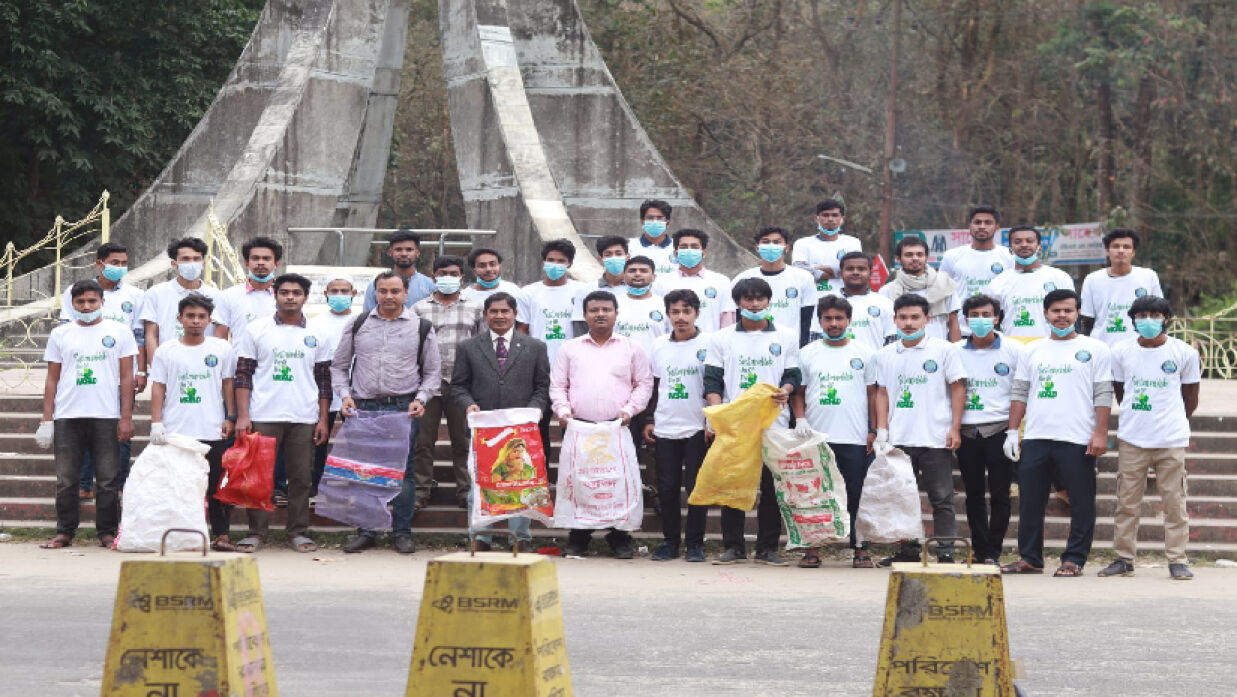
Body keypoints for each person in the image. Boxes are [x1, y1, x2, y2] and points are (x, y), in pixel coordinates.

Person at [1001, 289, 1112, 577]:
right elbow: (1020, 392)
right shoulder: (1032, 349)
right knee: (1030, 500)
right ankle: (1030, 558)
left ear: (1077, 314)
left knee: (1081, 500)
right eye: (1056, 311)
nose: (1062, 316)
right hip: (1037, 436)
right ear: (1045, 313)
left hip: (1077, 438)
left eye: (1068, 311)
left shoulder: (1096, 349)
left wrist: (1101, 432)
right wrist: (1013, 431)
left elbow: (1102, 394)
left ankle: (1074, 558)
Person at [332, 271, 441, 554]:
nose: (389, 297)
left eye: (395, 291)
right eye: (383, 291)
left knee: (402, 473)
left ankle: (401, 533)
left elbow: (432, 372)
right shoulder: (358, 324)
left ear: (406, 293)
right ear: (375, 293)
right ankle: (366, 531)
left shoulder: (421, 327)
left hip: (403, 408)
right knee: (365, 471)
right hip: (364, 407)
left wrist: (422, 399)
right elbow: (339, 366)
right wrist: (345, 396)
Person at [1099, 295, 1199, 580]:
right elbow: (1120, 391)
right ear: (1133, 320)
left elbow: (1190, 398)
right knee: (1127, 502)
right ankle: (1123, 558)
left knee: (1174, 502)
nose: (1148, 321)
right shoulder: (1121, 351)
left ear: (1166, 319)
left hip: (1171, 440)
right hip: (1133, 438)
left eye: (1154, 315)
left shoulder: (1183, 353)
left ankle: (1177, 559)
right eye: (1141, 316)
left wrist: (1173, 419)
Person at [232, 273, 334, 554]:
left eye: (296, 293)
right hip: (263, 413)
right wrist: (243, 415)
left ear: (305, 297)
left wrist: (323, 418)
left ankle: (297, 532)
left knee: (301, 477)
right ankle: (256, 533)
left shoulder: (317, 333)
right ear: (275, 295)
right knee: (258, 478)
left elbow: (324, 380)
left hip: (304, 416)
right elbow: (243, 375)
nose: (290, 297)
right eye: (285, 292)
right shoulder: (256, 329)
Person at [704, 278, 801, 566]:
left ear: (769, 301)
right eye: (748, 299)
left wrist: (786, 390)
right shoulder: (721, 338)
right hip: (735, 424)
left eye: (760, 298)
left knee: (772, 488)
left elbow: (793, 375)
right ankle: (733, 547)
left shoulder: (785, 336)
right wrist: (715, 416)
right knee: (733, 485)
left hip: (775, 421)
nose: (755, 304)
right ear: (738, 303)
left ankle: (767, 548)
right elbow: (712, 380)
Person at [550, 290, 653, 559]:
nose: (600, 314)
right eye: (594, 310)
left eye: (606, 309)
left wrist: (630, 411)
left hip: (617, 427)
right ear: (584, 315)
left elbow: (644, 383)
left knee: (617, 482)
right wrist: (563, 411)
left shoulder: (632, 347)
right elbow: (558, 386)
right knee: (580, 482)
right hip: (578, 427)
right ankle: (578, 537)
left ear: (616, 313)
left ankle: (619, 537)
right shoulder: (569, 348)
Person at [35, 280, 137, 549]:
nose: (86, 306)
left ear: (102, 302)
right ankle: (65, 531)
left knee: (107, 479)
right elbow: (51, 380)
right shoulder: (61, 334)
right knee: (66, 479)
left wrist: (125, 417)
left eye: (92, 301)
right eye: (80, 302)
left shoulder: (120, 331)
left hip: (106, 415)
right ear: (72, 305)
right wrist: (47, 418)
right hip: (68, 415)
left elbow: (127, 378)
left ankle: (106, 532)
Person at [450, 292, 551, 551]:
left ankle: (520, 538)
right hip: (485, 430)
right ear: (485, 315)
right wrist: (468, 404)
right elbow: (459, 386)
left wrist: (532, 412)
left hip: (521, 429)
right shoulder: (469, 347)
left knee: (521, 482)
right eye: (493, 311)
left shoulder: (535, 347)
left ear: (515, 314)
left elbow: (542, 387)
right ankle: (480, 537)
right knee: (480, 484)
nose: (499, 316)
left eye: (505, 311)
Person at [872, 294, 967, 565]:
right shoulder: (885, 354)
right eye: (903, 317)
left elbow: (958, 388)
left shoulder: (945, 350)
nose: (909, 323)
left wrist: (955, 428)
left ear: (927, 319)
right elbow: (882, 393)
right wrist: (881, 431)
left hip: (935, 437)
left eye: (915, 317)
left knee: (942, 498)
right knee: (903, 499)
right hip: (899, 438)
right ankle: (908, 551)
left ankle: (946, 552)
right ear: (894, 320)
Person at [792, 295, 877, 568]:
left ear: (849, 321)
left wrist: (873, 429)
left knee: (856, 493)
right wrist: (800, 420)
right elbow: (799, 393)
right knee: (815, 496)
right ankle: (814, 548)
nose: (834, 323)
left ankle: (860, 547)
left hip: (853, 437)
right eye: (828, 318)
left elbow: (873, 394)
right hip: (816, 436)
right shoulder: (807, 353)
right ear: (820, 321)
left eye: (839, 318)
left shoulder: (865, 353)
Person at [148, 293, 237, 551]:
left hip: (213, 428)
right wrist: (156, 422)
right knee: (180, 486)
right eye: (190, 316)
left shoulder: (221, 348)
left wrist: (230, 416)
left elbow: (228, 383)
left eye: (201, 317)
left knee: (217, 485)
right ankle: (183, 536)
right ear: (180, 319)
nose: (196, 321)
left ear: (210, 320)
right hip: (178, 430)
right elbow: (158, 388)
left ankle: (221, 535)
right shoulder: (166, 351)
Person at [58, 242, 146, 500]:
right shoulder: (77, 292)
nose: (120, 267)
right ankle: (84, 484)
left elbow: (139, 336)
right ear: (100, 263)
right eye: (114, 263)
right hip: (86, 369)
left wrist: (142, 371)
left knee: (121, 430)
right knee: (84, 428)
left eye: (123, 263)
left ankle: (118, 485)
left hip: (121, 372)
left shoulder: (135, 296)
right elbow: (67, 331)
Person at [954, 294, 1025, 565]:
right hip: (968, 432)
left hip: (999, 430)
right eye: (974, 315)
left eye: (986, 315)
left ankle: (993, 551)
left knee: (1000, 494)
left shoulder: (1014, 349)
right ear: (966, 318)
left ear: (997, 318)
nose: (980, 320)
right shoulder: (954, 350)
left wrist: (1013, 431)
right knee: (973, 495)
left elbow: (1021, 390)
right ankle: (980, 549)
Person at [644, 289, 711, 562]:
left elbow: (715, 384)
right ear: (668, 314)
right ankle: (670, 542)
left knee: (697, 488)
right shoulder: (659, 344)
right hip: (665, 426)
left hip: (698, 427)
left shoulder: (710, 343)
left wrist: (712, 421)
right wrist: (649, 419)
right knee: (668, 488)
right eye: (675, 312)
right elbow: (655, 385)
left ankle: (695, 544)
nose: (680, 317)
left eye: (686, 311)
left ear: (696, 313)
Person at [412, 256, 483, 509]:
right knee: (423, 442)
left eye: (454, 273)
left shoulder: (475, 308)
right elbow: (412, 348)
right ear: (433, 276)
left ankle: (466, 493)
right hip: (428, 384)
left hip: (463, 384)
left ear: (462, 277)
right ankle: (421, 492)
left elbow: (481, 347)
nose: (448, 278)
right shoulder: (419, 309)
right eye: (443, 273)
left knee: (463, 442)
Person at [306, 273, 359, 496]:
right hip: (323, 390)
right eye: (334, 291)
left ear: (353, 294)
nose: (339, 295)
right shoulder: (314, 323)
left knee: (354, 443)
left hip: (354, 390)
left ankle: (353, 487)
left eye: (344, 291)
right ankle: (315, 485)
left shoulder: (361, 320)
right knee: (319, 440)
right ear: (325, 294)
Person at [140, 237, 224, 371]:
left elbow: (219, 337)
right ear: (174, 264)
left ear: (203, 263)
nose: (191, 263)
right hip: (168, 366)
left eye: (196, 259)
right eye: (185, 259)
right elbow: (151, 334)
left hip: (205, 367)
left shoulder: (216, 296)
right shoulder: (156, 293)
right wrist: (157, 369)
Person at [730, 226, 817, 347]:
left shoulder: (804, 278)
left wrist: (801, 348)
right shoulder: (742, 278)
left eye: (777, 242)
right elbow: (737, 317)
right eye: (766, 242)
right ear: (757, 248)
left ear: (786, 248)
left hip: (789, 347)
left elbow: (807, 319)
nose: (771, 246)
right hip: (752, 346)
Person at [1080, 228, 1164, 348]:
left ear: (1133, 252)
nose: (1121, 250)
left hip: (1140, 349)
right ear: (1107, 251)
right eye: (1116, 246)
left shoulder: (1148, 276)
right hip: (1103, 349)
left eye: (1126, 247)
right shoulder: (1092, 279)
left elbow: (1159, 314)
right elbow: (1087, 320)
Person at [987, 225, 1075, 339]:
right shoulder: (998, 283)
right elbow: (991, 320)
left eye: (1030, 241)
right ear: (1010, 248)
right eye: (1017, 242)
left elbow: (1071, 314)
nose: (1024, 245)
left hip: (1050, 345)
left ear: (1039, 247)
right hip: (1013, 347)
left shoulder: (1060, 277)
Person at [880, 235, 961, 342]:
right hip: (901, 352)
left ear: (926, 257)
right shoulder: (887, 291)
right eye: (909, 255)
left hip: (938, 352)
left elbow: (953, 322)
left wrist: (957, 352)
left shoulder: (945, 285)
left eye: (919, 254)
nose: (915, 258)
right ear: (898, 259)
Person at [652, 229, 735, 332]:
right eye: (684, 247)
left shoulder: (721, 281)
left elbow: (727, 322)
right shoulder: (661, 282)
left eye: (694, 247)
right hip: (673, 345)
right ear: (675, 253)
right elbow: (658, 321)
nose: (689, 250)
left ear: (704, 253)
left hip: (710, 345)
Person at [938, 206, 1015, 313]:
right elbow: (943, 291)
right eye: (977, 222)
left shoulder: (1009, 256)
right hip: (961, 325)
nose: (982, 227)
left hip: (998, 324)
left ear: (997, 228)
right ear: (970, 226)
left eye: (988, 223)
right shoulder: (951, 255)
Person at [523, 239, 588, 364]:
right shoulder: (528, 293)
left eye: (561, 261)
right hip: (538, 362)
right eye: (551, 260)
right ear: (543, 262)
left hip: (573, 361)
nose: (555, 265)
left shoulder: (582, 291)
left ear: (569, 264)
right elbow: (522, 329)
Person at [214, 236, 282, 342]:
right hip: (240, 358)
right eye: (255, 258)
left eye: (266, 258)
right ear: (246, 263)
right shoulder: (228, 296)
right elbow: (219, 341)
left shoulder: (287, 297)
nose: (260, 262)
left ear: (277, 264)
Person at [791, 198, 863, 296]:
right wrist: (838, 271)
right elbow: (799, 272)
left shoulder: (852, 242)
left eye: (835, 215)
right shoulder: (802, 243)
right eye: (825, 215)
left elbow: (852, 271)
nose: (830, 219)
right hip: (812, 300)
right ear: (816, 218)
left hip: (845, 300)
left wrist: (815, 268)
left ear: (842, 219)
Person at [362, 229, 435, 312]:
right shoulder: (376, 286)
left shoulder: (430, 286)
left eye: (409, 250)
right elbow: (368, 318)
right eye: (398, 249)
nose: (404, 254)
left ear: (417, 253)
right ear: (390, 252)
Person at [833, 251, 895, 349]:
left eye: (861, 269)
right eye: (850, 269)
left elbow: (892, 341)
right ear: (841, 273)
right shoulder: (827, 303)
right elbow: (816, 339)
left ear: (870, 273)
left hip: (874, 363)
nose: (855, 272)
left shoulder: (885, 303)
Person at [571, 235, 629, 336]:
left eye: (618, 254)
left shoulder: (637, 290)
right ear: (600, 259)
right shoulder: (586, 291)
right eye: (608, 254)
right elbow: (580, 328)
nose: (614, 258)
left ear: (627, 257)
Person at [461, 247, 530, 332]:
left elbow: (522, 325)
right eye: (482, 266)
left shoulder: (513, 290)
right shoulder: (464, 296)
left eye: (492, 264)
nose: (489, 269)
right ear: (474, 270)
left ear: (499, 266)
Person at [615, 255, 668, 359]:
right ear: (624, 275)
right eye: (632, 271)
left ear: (653, 277)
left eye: (643, 271)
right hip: (620, 367)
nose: (637, 274)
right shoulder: (613, 303)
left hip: (654, 369)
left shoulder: (664, 304)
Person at [631, 199, 678, 276]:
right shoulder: (629, 247)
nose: (655, 221)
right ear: (642, 222)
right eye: (650, 218)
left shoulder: (679, 248)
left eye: (659, 218)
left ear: (668, 222)